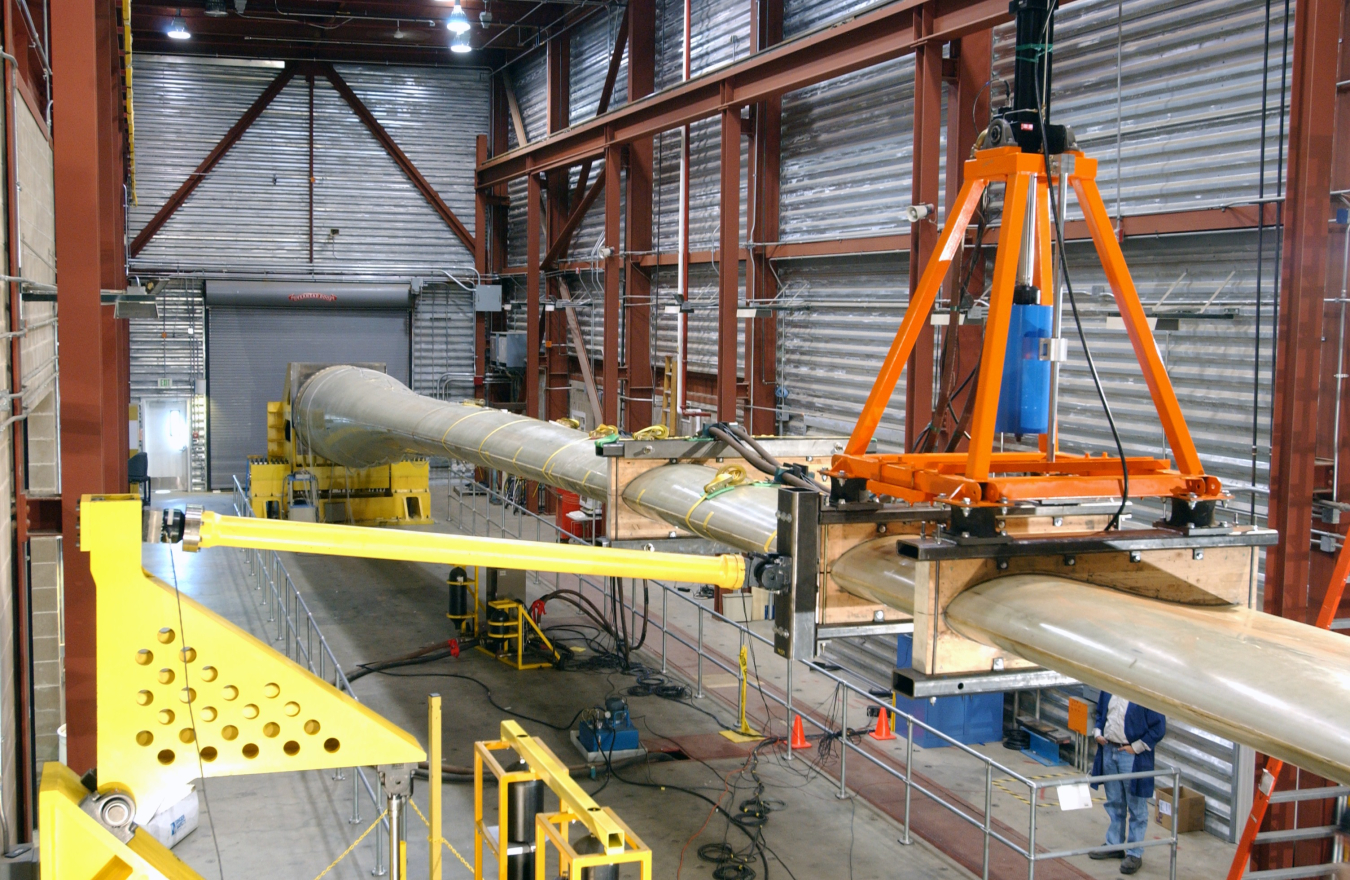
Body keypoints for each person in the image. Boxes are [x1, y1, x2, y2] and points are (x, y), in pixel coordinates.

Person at [1089, 691, 1166, 875]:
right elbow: (1100, 713)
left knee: (1136, 807)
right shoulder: (1108, 689)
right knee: (1114, 802)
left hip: (1130, 756)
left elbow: (1158, 729)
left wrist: (1136, 748)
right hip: (1109, 750)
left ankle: (1134, 853)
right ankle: (1114, 845)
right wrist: (1098, 732)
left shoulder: (1145, 695)